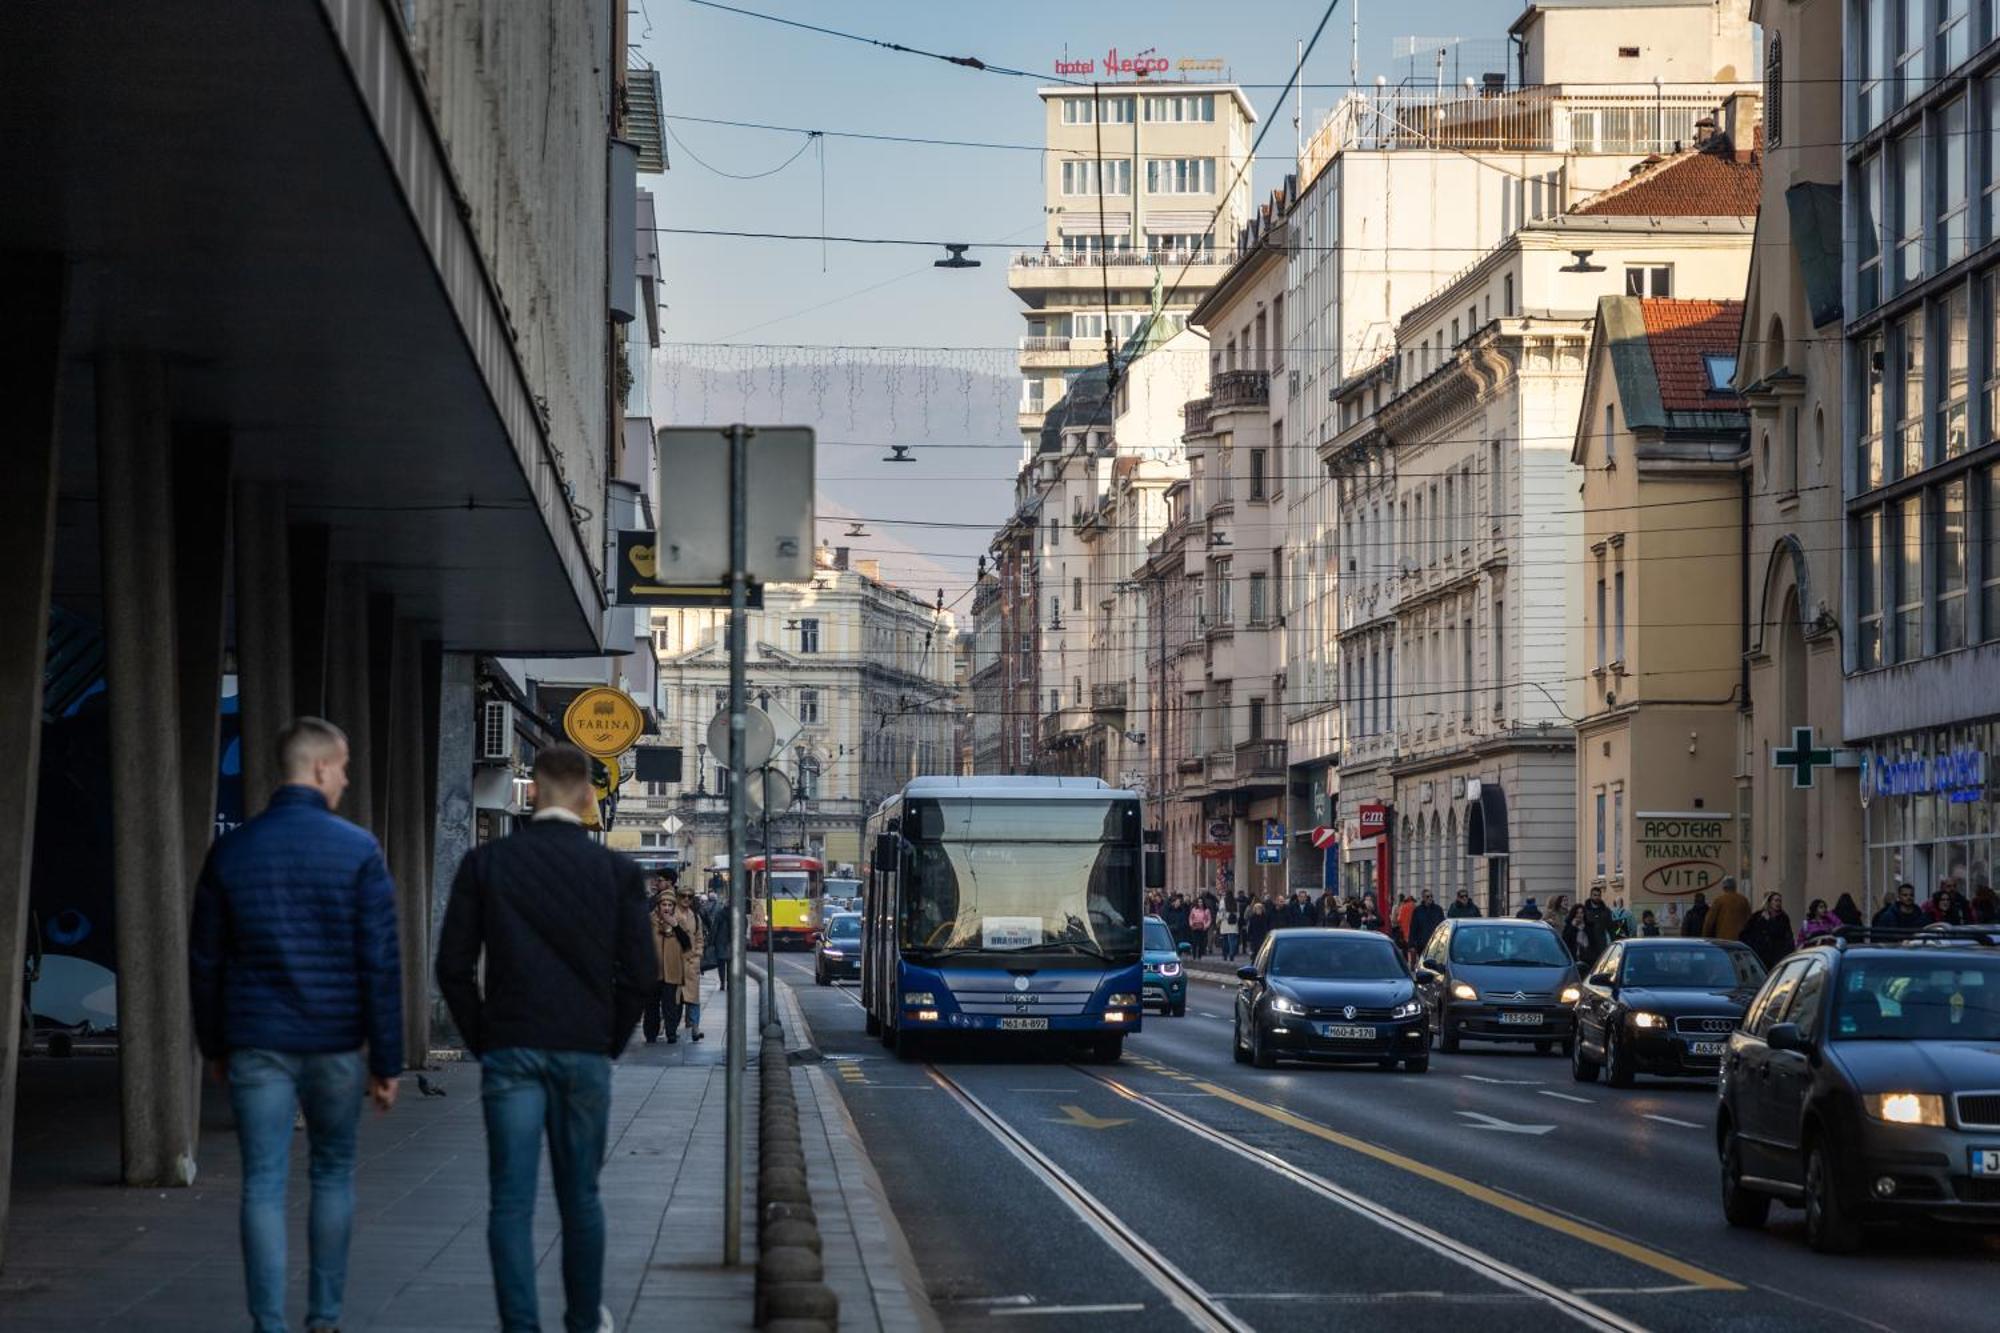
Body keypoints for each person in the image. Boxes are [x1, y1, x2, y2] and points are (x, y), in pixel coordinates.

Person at [189, 717, 403, 1333]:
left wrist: (215, 1044)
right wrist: (385, 1061)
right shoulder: (358, 849)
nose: (345, 779)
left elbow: (205, 959)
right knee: (332, 1173)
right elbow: (379, 963)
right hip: (334, 1042)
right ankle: (325, 1317)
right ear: (317, 768)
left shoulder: (233, 850)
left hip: (257, 1040)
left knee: (261, 1182)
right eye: (341, 767)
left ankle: (268, 1323)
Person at [436, 743, 657, 1333]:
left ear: (532, 792)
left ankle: (520, 1325)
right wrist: (606, 1041)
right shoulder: (618, 873)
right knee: (580, 1199)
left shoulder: (489, 865)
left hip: (511, 1049)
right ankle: (585, 1320)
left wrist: (486, 1038)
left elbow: (452, 967)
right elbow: (641, 975)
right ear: (587, 796)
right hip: (582, 1052)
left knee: (510, 1202)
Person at [655, 883, 707, 1042]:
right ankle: (670, 1027)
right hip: (675, 962)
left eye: (689, 897)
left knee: (693, 999)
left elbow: (699, 938)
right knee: (674, 1000)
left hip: (691, 963)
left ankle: (695, 1028)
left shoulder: (695, 917)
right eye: (683, 896)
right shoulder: (671, 913)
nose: (686, 899)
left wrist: (698, 954)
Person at [1739, 893, 1794, 970]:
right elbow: (1746, 933)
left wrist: (1770, 921)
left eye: (1780, 901)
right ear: (1769, 902)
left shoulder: (1783, 918)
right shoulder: (1758, 916)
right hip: (1759, 955)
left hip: (1776, 956)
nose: (1778, 903)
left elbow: (1786, 936)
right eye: (1776, 900)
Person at [1701, 877, 1751, 942]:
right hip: (1740, 941)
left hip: (1723, 940)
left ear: (1724, 888)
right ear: (1735, 887)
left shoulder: (1719, 901)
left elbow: (1709, 922)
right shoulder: (1744, 900)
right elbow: (1749, 920)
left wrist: (1705, 938)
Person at [1578, 887, 1615, 969]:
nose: (1597, 897)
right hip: (1587, 946)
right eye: (1594, 895)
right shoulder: (1584, 910)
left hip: (1600, 946)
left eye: (1598, 895)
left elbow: (1611, 928)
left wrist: (1613, 943)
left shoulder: (1605, 911)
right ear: (1591, 896)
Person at [1408, 891, 1446, 960]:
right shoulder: (1418, 910)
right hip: (1422, 944)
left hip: (1436, 943)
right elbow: (1413, 928)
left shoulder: (1438, 909)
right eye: (1427, 896)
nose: (1430, 898)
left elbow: (1442, 925)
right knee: (1423, 962)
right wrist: (1411, 945)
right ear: (1423, 898)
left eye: (1431, 896)